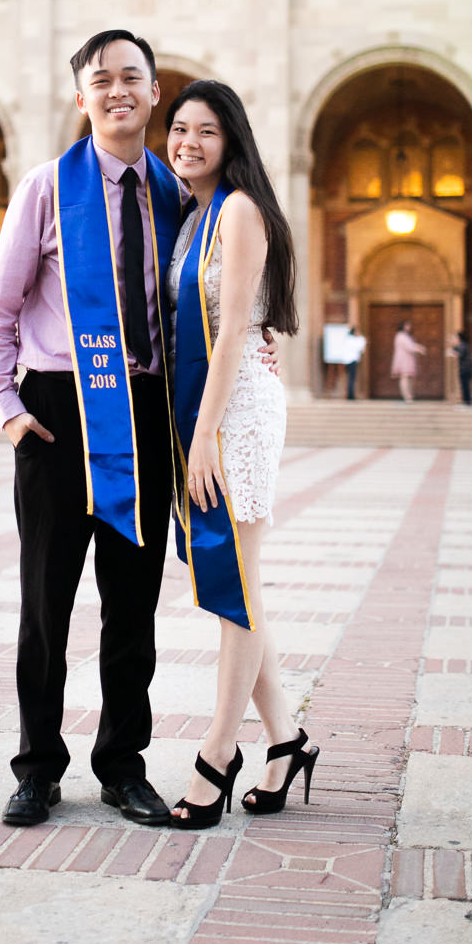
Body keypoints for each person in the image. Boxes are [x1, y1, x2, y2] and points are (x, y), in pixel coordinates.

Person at [0, 31, 277, 832]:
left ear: (151, 94)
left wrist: (258, 333)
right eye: (100, 80)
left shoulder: (178, 198)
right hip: (56, 416)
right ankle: (37, 768)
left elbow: (212, 296)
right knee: (46, 605)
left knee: (131, 607)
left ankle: (122, 766)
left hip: (143, 416)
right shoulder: (45, 188)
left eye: (131, 79)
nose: (117, 92)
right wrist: (7, 409)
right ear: (82, 99)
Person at [163, 80, 319, 828]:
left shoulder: (241, 211)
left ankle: (219, 751)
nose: (188, 142)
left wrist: (203, 439)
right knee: (236, 584)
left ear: (233, 142)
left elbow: (231, 333)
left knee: (237, 586)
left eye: (207, 132)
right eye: (180, 128)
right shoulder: (192, 216)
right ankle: (287, 741)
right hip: (207, 411)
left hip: (237, 417)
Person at [391, 319, 426, 402]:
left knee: (410, 377)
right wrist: (419, 349)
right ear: (403, 326)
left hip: (409, 359)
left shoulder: (408, 336)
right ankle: (406, 396)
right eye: (407, 325)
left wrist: (419, 347)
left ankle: (410, 395)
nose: (408, 327)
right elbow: (409, 347)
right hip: (403, 359)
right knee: (405, 376)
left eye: (409, 325)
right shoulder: (400, 336)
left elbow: (412, 345)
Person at [340, 325, 366, 400]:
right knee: (351, 378)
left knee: (350, 378)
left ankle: (350, 394)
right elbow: (361, 349)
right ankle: (350, 395)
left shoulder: (347, 339)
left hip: (346, 360)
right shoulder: (354, 340)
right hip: (352, 360)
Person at [447, 330, 472, 405]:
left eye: (456, 337)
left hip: (465, 369)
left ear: (459, 338)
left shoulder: (463, 346)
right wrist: (452, 343)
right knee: (464, 386)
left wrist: (452, 354)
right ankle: (466, 401)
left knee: (465, 386)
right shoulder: (462, 345)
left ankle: (468, 402)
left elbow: (459, 355)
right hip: (465, 369)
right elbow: (455, 349)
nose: (455, 339)